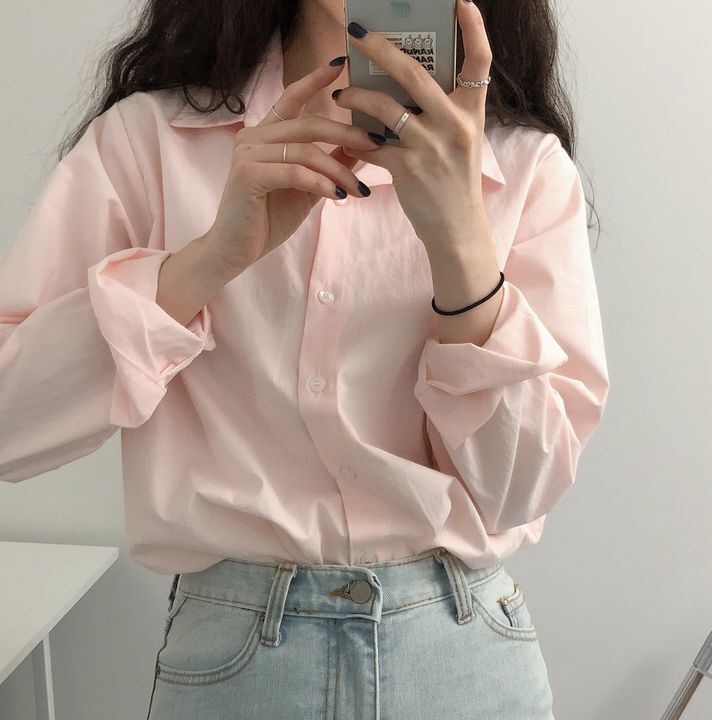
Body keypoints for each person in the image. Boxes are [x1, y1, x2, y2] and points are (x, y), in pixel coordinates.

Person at [0, 0, 609, 717]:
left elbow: (523, 488)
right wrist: (207, 262)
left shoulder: (526, 168)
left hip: (465, 659)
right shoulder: (147, 141)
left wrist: (464, 250)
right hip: (235, 664)